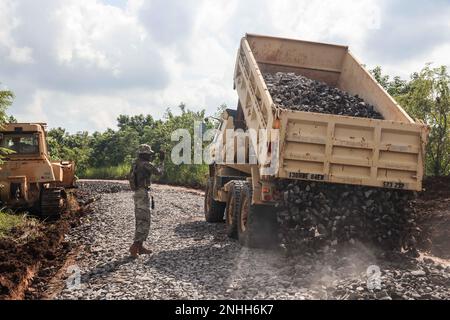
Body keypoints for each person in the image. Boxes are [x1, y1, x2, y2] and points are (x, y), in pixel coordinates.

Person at [129, 144, 164, 258]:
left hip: (138, 193)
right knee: (144, 220)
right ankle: (135, 246)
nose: (150, 156)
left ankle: (140, 247)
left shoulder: (135, 164)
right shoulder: (145, 165)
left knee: (140, 219)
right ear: (144, 154)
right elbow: (159, 172)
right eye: (149, 154)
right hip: (143, 194)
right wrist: (162, 161)